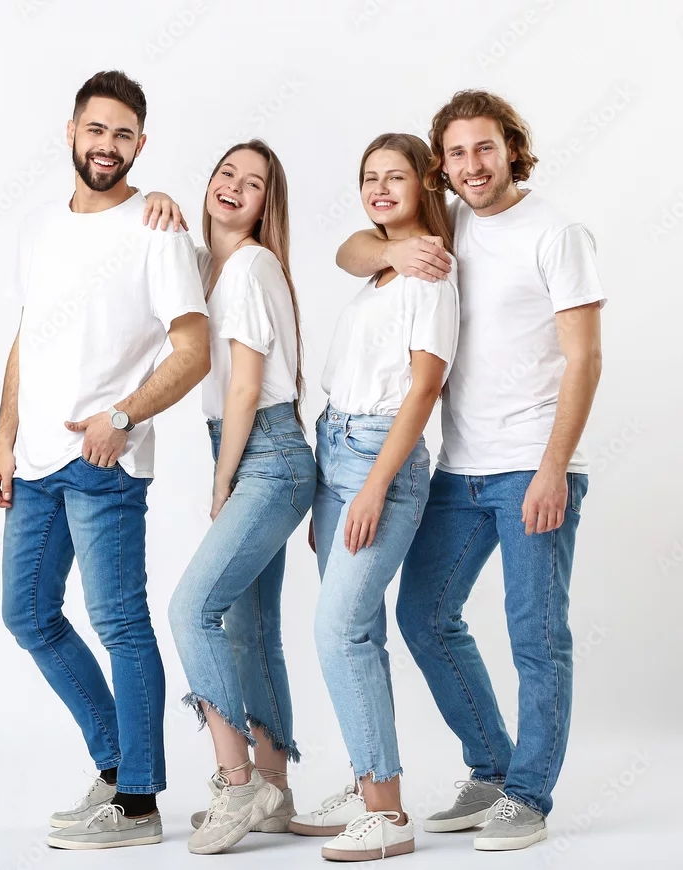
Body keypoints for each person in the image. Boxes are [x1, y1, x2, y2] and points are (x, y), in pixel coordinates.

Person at [337, 90, 606, 852]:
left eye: (484, 148)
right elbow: (350, 250)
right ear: (441, 167)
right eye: (455, 153)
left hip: (532, 467)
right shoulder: (448, 223)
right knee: (423, 616)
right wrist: (391, 253)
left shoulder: (557, 232)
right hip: (459, 470)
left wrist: (554, 469)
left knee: (536, 639)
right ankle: (489, 766)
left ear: (512, 148)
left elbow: (585, 359)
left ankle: (528, 795)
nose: (472, 164)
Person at [0, 70, 210, 850]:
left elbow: (194, 350)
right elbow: (27, 339)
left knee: (119, 622)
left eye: (123, 134)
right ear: (71, 132)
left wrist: (123, 417)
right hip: (35, 461)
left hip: (104, 460)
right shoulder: (41, 229)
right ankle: (118, 767)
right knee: (27, 614)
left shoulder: (157, 228)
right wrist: (3, 440)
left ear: (140, 144)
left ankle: (138, 804)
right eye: (96, 130)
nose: (107, 145)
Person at [292, 133, 459, 862]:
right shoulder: (386, 265)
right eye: (369, 178)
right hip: (335, 448)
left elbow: (424, 389)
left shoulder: (431, 274)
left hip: (379, 457)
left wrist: (374, 489)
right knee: (359, 629)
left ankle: (387, 815)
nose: (380, 188)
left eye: (396, 177)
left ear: (425, 183)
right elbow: (347, 251)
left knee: (340, 630)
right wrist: (330, 488)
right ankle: (369, 786)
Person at [163, 140, 316, 855]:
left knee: (192, 609)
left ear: (265, 206)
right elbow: (165, 249)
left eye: (252, 183)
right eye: (225, 173)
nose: (233, 186)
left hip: (265, 455)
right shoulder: (210, 267)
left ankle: (237, 782)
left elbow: (247, 386)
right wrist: (156, 202)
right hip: (254, 450)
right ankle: (274, 791)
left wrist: (223, 479)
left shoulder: (251, 266)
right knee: (251, 630)